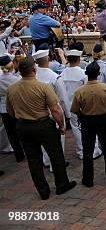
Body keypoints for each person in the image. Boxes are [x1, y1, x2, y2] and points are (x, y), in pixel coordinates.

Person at [6, 57, 76, 199]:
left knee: (33, 160)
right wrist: (61, 125)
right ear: (34, 70)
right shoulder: (42, 87)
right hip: (43, 124)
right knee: (56, 155)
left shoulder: (12, 88)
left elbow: (10, 111)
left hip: (23, 126)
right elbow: (56, 110)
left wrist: (20, 118)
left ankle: (43, 190)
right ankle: (62, 184)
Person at [70, 61, 106, 187]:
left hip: (87, 121)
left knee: (87, 150)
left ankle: (88, 179)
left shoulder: (79, 91)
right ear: (98, 74)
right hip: (104, 119)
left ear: (87, 74)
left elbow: (75, 109)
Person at [61, 48, 102, 160]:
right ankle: (94, 150)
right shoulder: (82, 73)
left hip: (70, 106)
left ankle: (81, 151)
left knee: (76, 128)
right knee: (91, 128)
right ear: (78, 59)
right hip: (84, 105)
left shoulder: (63, 74)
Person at [0, 53, 24, 162]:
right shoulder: (17, 79)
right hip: (16, 107)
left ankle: (18, 154)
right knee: (20, 130)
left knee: (11, 133)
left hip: (3, 108)